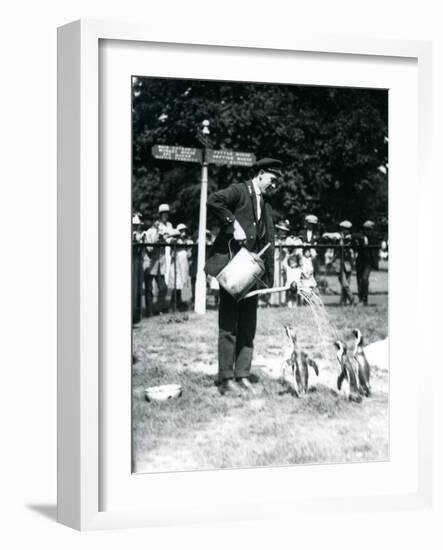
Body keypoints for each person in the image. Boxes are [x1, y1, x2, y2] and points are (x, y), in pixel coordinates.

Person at [205, 157, 283, 395]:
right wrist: (233, 224)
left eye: (277, 181)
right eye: (272, 179)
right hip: (233, 270)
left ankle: (243, 374)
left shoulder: (265, 202)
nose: (274, 185)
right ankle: (226, 378)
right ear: (260, 174)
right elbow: (213, 200)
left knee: (248, 324)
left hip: (252, 274)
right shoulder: (239, 190)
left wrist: (267, 278)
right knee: (229, 323)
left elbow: (266, 238)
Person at [143, 204, 174, 316]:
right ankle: (149, 310)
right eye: (155, 221)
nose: (156, 223)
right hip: (150, 265)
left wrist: (167, 239)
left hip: (160, 264)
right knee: (149, 289)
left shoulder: (166, 228)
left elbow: (168, 240)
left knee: (163, 288)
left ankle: (159, 308)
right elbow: (150, 249)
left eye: (167, 213)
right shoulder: (148, 233)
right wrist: (158, 239)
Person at [168, 223, 193, 311]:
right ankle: (173, 305)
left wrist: (188, 247)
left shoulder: (187, 241)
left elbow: (189, 255)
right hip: (176, 264)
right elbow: (171, 242)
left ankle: (184, 304)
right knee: (175, 284)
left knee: (185, 283)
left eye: (184, 231)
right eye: (181, 231)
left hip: (184, 265)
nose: (183, 233)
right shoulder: (174, 240)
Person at [355, 220, 379, 305]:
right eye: (365, 229)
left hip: (368, 263)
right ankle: (361, 299)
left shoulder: (374, 238)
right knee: (359, 280)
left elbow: (380, 240)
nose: (367, 231)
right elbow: (354, 235)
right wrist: (363, 238)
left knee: (364, 279)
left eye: (369, 229)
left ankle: (364, 299)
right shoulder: (361, 236)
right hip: (360, 261)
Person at [337, 220, 355, 306]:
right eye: (343, 229)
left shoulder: (350, 238)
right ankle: (346, 299)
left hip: (347, 262)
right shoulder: (340, 237)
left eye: (346, 229)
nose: (344, 231)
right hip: (341, 261)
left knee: (346, 282)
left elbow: (349, 249)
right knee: (343, 281)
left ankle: (348, 299)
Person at [299, 214, 320, 280]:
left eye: (312, 224)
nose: (311, 226)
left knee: (312, 267)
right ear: (307, 224)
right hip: (303, 253)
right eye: (309, 224)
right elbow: (300, 241)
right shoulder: (302, 232)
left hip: (312, 254)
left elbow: (317, 244)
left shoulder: (316, 234)